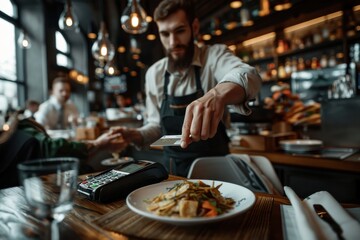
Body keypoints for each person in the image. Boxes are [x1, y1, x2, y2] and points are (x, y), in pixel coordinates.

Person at [111, 0, 262, 177]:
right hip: (173, 172)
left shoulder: (213, 56)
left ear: (195, 27)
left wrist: (217, 94)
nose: (173, 42)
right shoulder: (154, 74)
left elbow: (249, 75)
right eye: (165, 34)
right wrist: (134, 135)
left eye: (180, 31)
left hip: (218, 170)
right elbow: (156, 126)